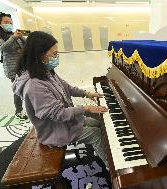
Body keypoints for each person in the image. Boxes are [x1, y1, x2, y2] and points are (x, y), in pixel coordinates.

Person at [12, 31, 109, 167]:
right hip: (54, 130)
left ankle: (103, 152)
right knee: (95, 133)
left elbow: (66, 87)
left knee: (99, 123)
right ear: (40, 55)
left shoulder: (44, 71)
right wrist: (85, 108)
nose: (56, 57)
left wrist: (86, 93)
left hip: (66, 122)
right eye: (54, 54)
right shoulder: (34, 84)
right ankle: (111, 169)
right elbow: (58, 114)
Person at [0, 12, 28, 120]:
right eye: (5, 22)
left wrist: (21, 36)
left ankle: (33, 107)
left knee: (29, 87)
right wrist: (14, 37)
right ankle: (18, 111)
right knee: (18, 90)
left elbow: (26, 45)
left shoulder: (14, 34)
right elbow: (4, 47)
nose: (9, 24)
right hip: (13, 68)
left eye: (10, 22)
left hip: (24, 65)